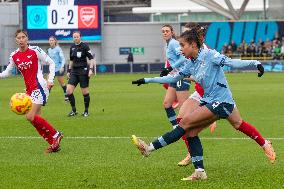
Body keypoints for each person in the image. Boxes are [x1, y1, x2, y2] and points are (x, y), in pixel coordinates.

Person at [131, 28, 276, 180]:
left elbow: (231, 62)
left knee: (185, 122)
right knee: (192, 132)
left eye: (182, 45)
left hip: (221, 102)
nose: (180, 49)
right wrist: (147, 80)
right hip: (212, 100)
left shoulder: (210, 55)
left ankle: (149, 148)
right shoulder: (190, 63)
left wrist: (255, 63)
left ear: (193, 45)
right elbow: (173, 79)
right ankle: (200, 171)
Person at [161, 23, 217, 167]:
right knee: (173, 111)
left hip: (206, 92)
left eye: (167, 31)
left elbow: (207, 75)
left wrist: (175, 72)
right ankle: (181, 137)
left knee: (186, 121)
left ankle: (190, 152)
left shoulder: (205, 52)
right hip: (191, 85)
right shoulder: (183, 47)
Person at [0, 29, 63, 154]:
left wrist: (50, 80)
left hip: (39, 86)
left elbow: (51, 63)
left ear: (27, 38)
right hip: (29, 90)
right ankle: (53, 143)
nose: (21, 40)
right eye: (19, 38)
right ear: (16, 40)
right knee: (35, 119)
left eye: (23, 37)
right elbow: (7, 72)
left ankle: (56, 134)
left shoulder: (35, 50)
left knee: (30, 116)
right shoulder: (14, 56)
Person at [159, 24, 191, 163]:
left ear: (172, 32)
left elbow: (184, 58)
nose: (165, 33)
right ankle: (176, 129)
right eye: (163, 31)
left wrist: (170, 68)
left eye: (167, 31)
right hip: (174, 77)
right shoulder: (168, 44)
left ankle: (190, 151)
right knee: (167, 104)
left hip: (181, 76)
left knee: (184, 112)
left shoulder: (173, 43)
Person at [66, 31, 95, 117]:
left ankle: (86, 111)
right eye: (74, 37)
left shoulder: (85, 46)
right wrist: (68, 70)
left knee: (85, 92)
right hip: (74, 72)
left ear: (80, 37)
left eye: (77, 37)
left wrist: (91, 69)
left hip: (83, 71)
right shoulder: (72, 47)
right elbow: (71, 60)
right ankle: (74, 110)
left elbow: (91, 59)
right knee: (68, 91)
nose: (76, 38)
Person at [47, 36, 68, 101]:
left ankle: (67, 96)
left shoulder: (58, 49)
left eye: (52, 40)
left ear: (55, 41)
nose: (51, 41)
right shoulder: (49, 50)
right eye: (50, 40)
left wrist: (62, 67)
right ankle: (46, 97)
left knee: (62, 84)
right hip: (51, 70)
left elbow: (63, 59)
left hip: (58, 68)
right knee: (49, 83)